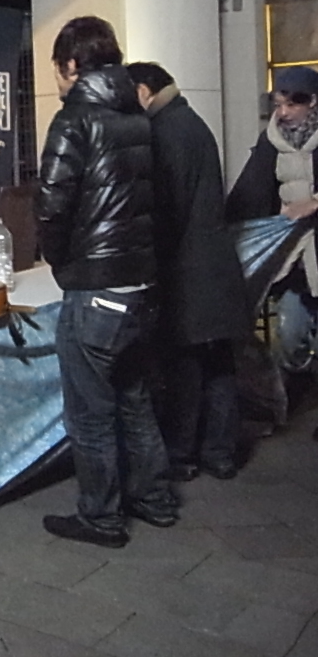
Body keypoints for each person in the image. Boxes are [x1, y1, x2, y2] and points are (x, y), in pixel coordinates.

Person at [35, 16, 175, 548]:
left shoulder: (75, 120)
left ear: (72, 65)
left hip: (96, 287)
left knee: (90, 413)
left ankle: (101, 517)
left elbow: (51, 206)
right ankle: (154, 499)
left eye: (57, 66)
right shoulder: (137, 118)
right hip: (141, 284)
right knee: (134, 398)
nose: (56, 77)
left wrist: (60, 263)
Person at [128, 62, 251, 481]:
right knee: (219, 364)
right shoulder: (192, 122)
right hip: (217, 265)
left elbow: (168, 210)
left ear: (144, 91)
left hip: (187, 271)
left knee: (185, 367)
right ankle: (221, 452)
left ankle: (181, 454)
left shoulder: (165, 132)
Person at [226, 66, 318, 376]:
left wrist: (313, 203)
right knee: (289, 335)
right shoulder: (270, 142)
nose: (284, 113)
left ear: (312, 101)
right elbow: (250, 193)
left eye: (291, 104)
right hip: (296, 259)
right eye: (279, 104)